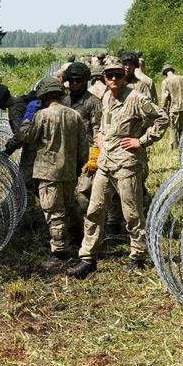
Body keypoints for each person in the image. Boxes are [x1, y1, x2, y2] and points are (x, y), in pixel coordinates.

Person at [67, 60, 169, 279]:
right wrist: (100, 140)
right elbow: (103, 124)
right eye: (109, 75)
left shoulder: (135, 98)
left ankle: (137, 256)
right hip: (106, 162)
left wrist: (141, 140)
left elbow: (162, 118)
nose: (113, 79)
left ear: (124, 76)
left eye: (117, 75)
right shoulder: (106, 96)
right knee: (95, 210)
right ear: (104, 77)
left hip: (127, 163)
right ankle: (87, 258)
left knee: (131, 213)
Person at [18, 78, 89, 267]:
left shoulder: (42, 115)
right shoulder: (74, 115)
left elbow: (27, 136)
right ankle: (79, 238)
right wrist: (78, 165)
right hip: (69, 170)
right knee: (69, 205)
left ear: (43, 95)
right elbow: (84, 146)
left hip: (48, 172)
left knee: (54, 212)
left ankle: (59, 252)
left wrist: (27, 119)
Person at [0, 83, 41, 226]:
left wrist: (7, 151)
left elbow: (21, 136)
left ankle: (27, 219)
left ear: (0, 101)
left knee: (24, 182)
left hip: (33, 148)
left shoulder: (14, 109)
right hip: (43, 144)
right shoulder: (24, 100)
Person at [62, 62, 104, 242]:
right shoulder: (64, 100)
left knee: (83, 194)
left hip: (87, 155)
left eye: (78, 80)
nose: (74, 83)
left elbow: (98, 130)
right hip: (66, 155)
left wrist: (95, 155)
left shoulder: (93, 102)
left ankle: (92, 233)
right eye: (71, 80)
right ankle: (76, 231)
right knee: (67, 197)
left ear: (85, 81)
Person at [159, 64, 183, 150]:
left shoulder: (165, 82)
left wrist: (162, 109)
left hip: (173, 109)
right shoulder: (182, 78)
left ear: (165, 72)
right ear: (172, 70)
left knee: (173, 129)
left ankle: (174, 148)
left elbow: (164, 98)